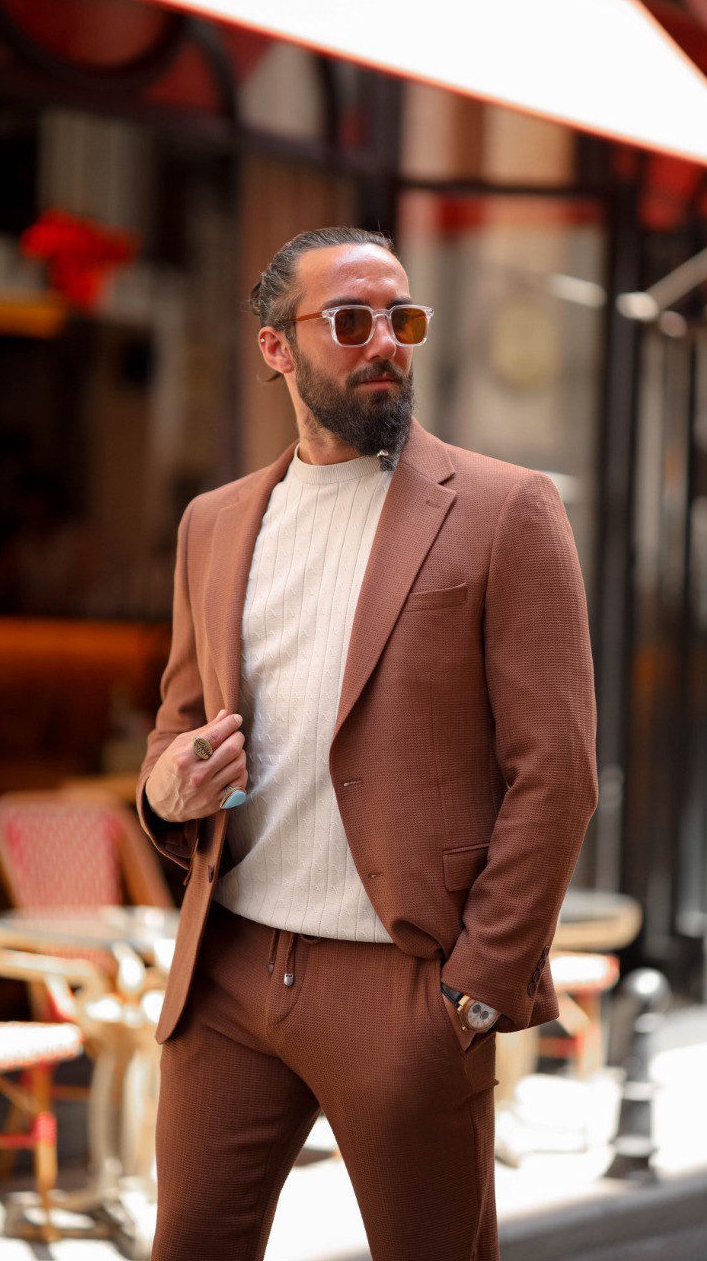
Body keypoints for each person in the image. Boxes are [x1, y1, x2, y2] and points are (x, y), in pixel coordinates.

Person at [137, 226, 598, 1261]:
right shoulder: (213, 523)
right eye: (350, 320)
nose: (384, 340)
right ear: (276, 349)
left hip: (404, 981)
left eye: (401, 317)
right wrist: (168, 788)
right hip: (231, 968)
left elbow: (555, 772)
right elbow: (174, 723)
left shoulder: (503, 510)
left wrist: (474, 987)